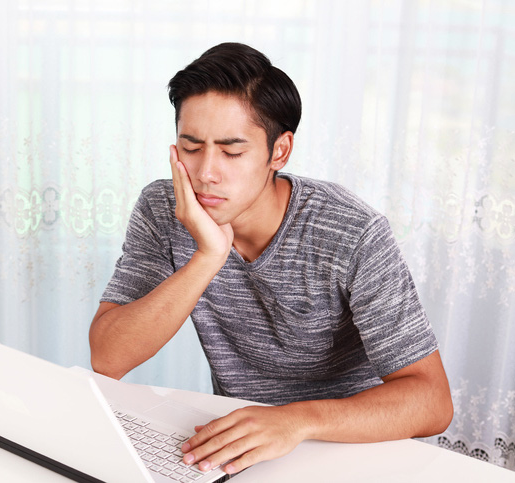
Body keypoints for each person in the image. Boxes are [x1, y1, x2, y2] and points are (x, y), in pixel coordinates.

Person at [89, 42, 453, 476]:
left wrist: (294, 420)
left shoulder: (352, 231)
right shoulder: (164, 208)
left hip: (349, 445)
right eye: (191, 147)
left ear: (278, 152)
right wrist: (207, 256)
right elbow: (108, 357)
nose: (205, 173)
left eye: (232, 151)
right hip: (243, 449)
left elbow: (432, 401)